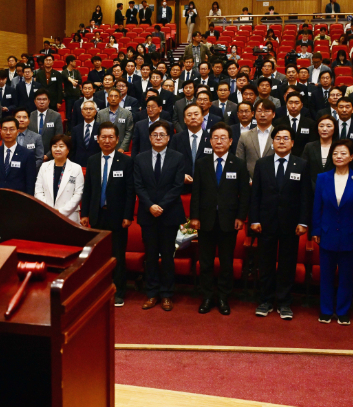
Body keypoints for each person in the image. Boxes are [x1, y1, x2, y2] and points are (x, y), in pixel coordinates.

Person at [250, 125, 311, 320]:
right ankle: (266, 300)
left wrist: (303, 222)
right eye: (278, 138)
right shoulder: (262, 163)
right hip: (265, 222)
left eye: (286, 138)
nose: (282, 141)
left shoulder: (301, 164)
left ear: (292, 143)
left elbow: (305, 196)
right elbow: (255, 195)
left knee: (287, 264)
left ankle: (284, 302)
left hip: (291, 224)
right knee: (265, 263)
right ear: (272, 142)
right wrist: (254, 219)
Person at [188, 122, 250, 315]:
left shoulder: (238, 164)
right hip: (205, 220)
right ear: (210, 141)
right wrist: (194, 217)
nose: (219, 141)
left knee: (226, 262)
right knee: (205, 262)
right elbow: (196, 192)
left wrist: (241, 217)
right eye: (215, 138)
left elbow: (244, 194)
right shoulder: (201, 163)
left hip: (229, 221)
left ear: (231, 141)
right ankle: (207, 296)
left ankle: (223, 297)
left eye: (223, 138)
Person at [312, 140, 353, 325]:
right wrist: (316, 230)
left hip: (349, 234)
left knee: (346, 275)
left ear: (351, 157)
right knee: (326, 275)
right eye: (335, 153)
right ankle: (326, 310)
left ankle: (343, 311)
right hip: (326, 232)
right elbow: (317, 207)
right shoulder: (323, 178)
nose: (339, 156)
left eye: (343, 153)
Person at [81, 122, 136, 306]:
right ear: (97, 139)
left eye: (111, 137)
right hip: (97, 215)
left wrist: (128, 215)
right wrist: (85, 213)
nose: (107, 140)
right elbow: (88, 189)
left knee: (117, 255)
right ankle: (99, 289)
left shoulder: (126, 161)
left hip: (118, 217)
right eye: (103, 137)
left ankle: (119, 291)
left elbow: (130, 191)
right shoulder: (93, 160)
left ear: (117, 139)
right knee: (98, 256)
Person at [134, 121, 186, 311]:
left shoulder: (178, 157)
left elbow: (177, 186)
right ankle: (151, 293)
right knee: (150, 255)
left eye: (162, 135)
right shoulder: (140, 158)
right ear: (149, 137)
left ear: (168, 138)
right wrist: (150, 206)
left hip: (169, 214)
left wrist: (161, 206)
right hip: (148, 214)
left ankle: (167, 294)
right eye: (155, 134)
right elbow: (138, 186)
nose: (158, 138)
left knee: (167, 256)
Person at [34, 135, 84, 223]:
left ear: (68, 149)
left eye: (61, 146)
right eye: (54, 146)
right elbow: (38, 191)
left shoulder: (76, 168)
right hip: (47, 214)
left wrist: (60, 212)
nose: (57, 149)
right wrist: (49, 210)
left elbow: (78, 194)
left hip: (69, 216)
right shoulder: (44, 166)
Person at [0, 116, 36, 196]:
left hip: (18, 200)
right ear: (0, 131)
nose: (8, 132)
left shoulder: (27, 154)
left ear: (17, 131)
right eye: (5, 129)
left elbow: (30, 183)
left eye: (12, 129)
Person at [236, 99, 276, 179]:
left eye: (267, 111)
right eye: (259, 111)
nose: (262, 114)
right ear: (254, 114)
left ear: (273, 114)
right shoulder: (245, 136)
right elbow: (239, 162)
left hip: (274, 182)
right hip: (250, 183)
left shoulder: (279, 136)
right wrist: (248, 180)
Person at [273, 92, 317, 156]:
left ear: (301, 105)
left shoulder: (310, 123)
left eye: (296, 103)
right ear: (286, 104)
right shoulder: (278, 122)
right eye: (290, 103)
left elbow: (311, 144)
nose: (293, 106)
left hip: (304, 159)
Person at [301, 115, 337, 190]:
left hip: (335, 187)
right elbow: (304, 169)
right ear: (317, 129)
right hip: (313, 188)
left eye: (329, 126)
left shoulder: (339, 147)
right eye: (321, 126)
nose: (324, 129)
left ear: (335, 129)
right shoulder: (309, 146)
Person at [29, 90, 64, 160]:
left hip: (51, 156)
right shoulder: (30, 115)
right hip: (32, 156)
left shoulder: (56, 116)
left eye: (44, 99)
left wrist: (48, 155)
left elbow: (59, 137)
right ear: (34, 101)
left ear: (49, 101)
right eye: (39, 99)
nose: (42, 102)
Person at [96, 89, 134, 153]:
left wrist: (122, 147)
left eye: (116, 96)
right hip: (104, 148)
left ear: (120, 99)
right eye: (111, 96)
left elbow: (129, 132)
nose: (113, 99)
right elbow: (98, 131)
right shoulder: (100, 113)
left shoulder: (127, 113)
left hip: (120, 149)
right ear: (107, 99)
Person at [69, 101, 101, 167]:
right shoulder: (76, 129)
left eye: (91, 109)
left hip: (97, 164)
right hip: (78, 164)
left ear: (95, 112)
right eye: (85, 109)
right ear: (81, 112)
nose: (88, 111)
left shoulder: (101, 129)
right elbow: (72, 150)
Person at [14, 107, 44, 171]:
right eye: (18, 117)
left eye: (24, 117)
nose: (21, 120)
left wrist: (28, 169)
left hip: (30, 172)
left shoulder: (36, 137)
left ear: (29, 120)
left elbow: (39, 158)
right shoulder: (9, 136)